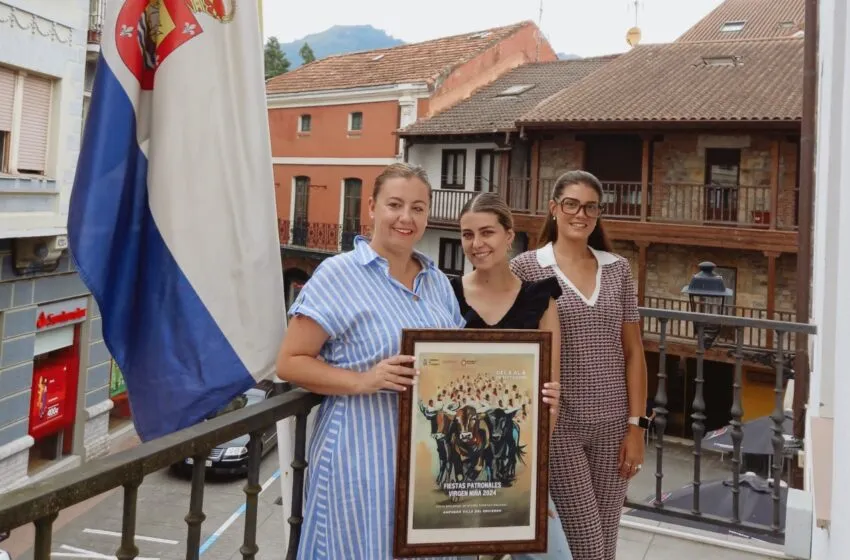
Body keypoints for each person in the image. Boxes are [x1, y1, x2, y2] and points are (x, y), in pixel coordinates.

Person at [276, 163, 468, 560]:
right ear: (372, 207)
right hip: (362, 457)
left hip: (427, 460)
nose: (406, 217)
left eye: (417, 207)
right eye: (394, 204)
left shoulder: (437, 282)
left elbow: (458, 366)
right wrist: (363, 380)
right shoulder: (338, 274)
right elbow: (291, 362)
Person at [510, 170, 648, 560]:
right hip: (561, 427)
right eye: (571, 204)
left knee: (606, 542)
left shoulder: (617, 268)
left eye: (590, 207)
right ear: (554, 208)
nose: (580, 214)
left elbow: (634, 352)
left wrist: (637, 428)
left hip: (616, 426)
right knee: (585, 545)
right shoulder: (527, 268)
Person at [451, 192, 571, 560]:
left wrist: (530, 479)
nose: (476, 243)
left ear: (508, 235)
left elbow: (551, 394)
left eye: (486, 232)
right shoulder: (448, 294)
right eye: (467, 235)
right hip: (460, 463)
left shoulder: (540, 298)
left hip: (517, 462)